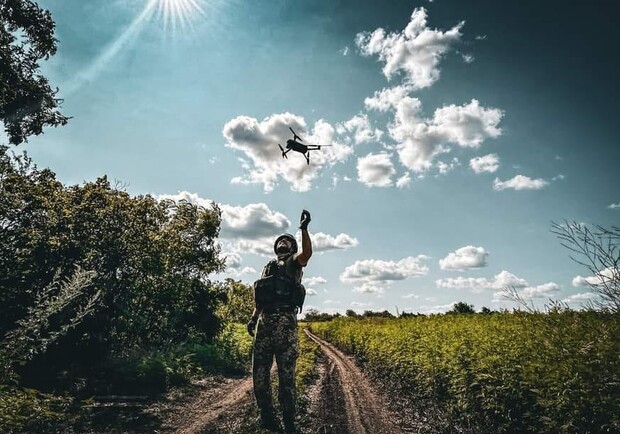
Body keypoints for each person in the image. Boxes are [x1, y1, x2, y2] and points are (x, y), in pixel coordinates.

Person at [247, 210, 312, 433]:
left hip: (285, 322)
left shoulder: (294, 263)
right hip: (264, 323)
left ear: (292, 247)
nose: (283, 242)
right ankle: (267, 417)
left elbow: (307, 255)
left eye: (287, 240)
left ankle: (289, 421)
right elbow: (261, 297)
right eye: (281, 240)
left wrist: (303, 229)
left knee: (286, 376)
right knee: (260, 373)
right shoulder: (268, 268)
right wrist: (253, 318)